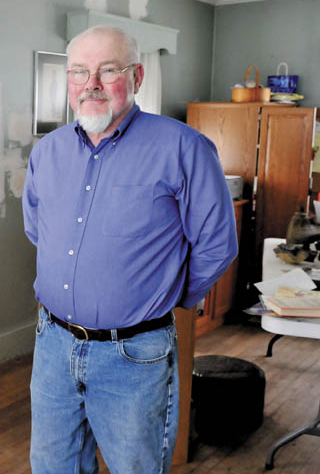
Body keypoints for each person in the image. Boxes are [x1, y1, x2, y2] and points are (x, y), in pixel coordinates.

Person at [23, 26, 238, 473]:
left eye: (108, 70)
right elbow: (38, 231)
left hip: (133, 358)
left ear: (137, 77)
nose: (92, 84)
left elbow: (217, 244)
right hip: (53, 346)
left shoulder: (184, 147)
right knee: (52, 465)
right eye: (79, 72)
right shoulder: (48, 152)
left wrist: (171, 294)